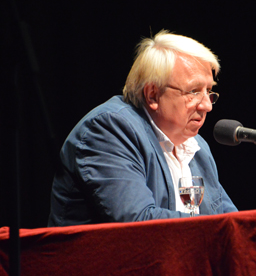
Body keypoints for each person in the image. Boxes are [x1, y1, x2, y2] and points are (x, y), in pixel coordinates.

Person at [48, 30, 238, 226]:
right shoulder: (110, 130)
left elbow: (229, 220)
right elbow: (139, 223)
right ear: (153, 95)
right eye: (194, 92)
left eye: (208, 91)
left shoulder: (196, 147)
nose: (206, 105)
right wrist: (226, 227)